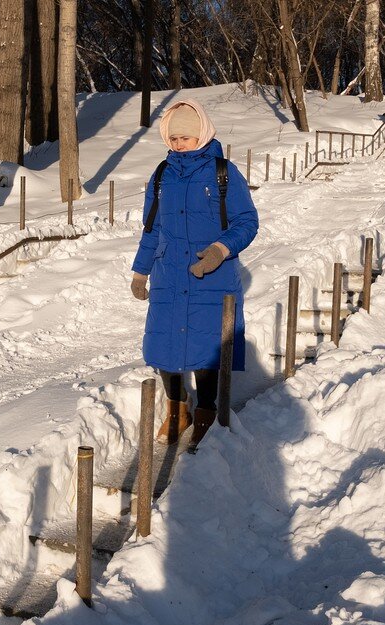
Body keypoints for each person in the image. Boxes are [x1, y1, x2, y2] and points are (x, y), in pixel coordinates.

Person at [130, 99, 259, 447]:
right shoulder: (161, 175)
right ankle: (177, 410)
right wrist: (141, 272)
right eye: (173, 137)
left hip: (210, 277)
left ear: (201, 133)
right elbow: (151, 228)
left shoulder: (223, 172)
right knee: (163, 346)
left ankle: (205, 411)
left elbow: (247, 221)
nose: (178, 143)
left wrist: (220, 250)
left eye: (185, 137)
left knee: (206, 350)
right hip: (169, 275)